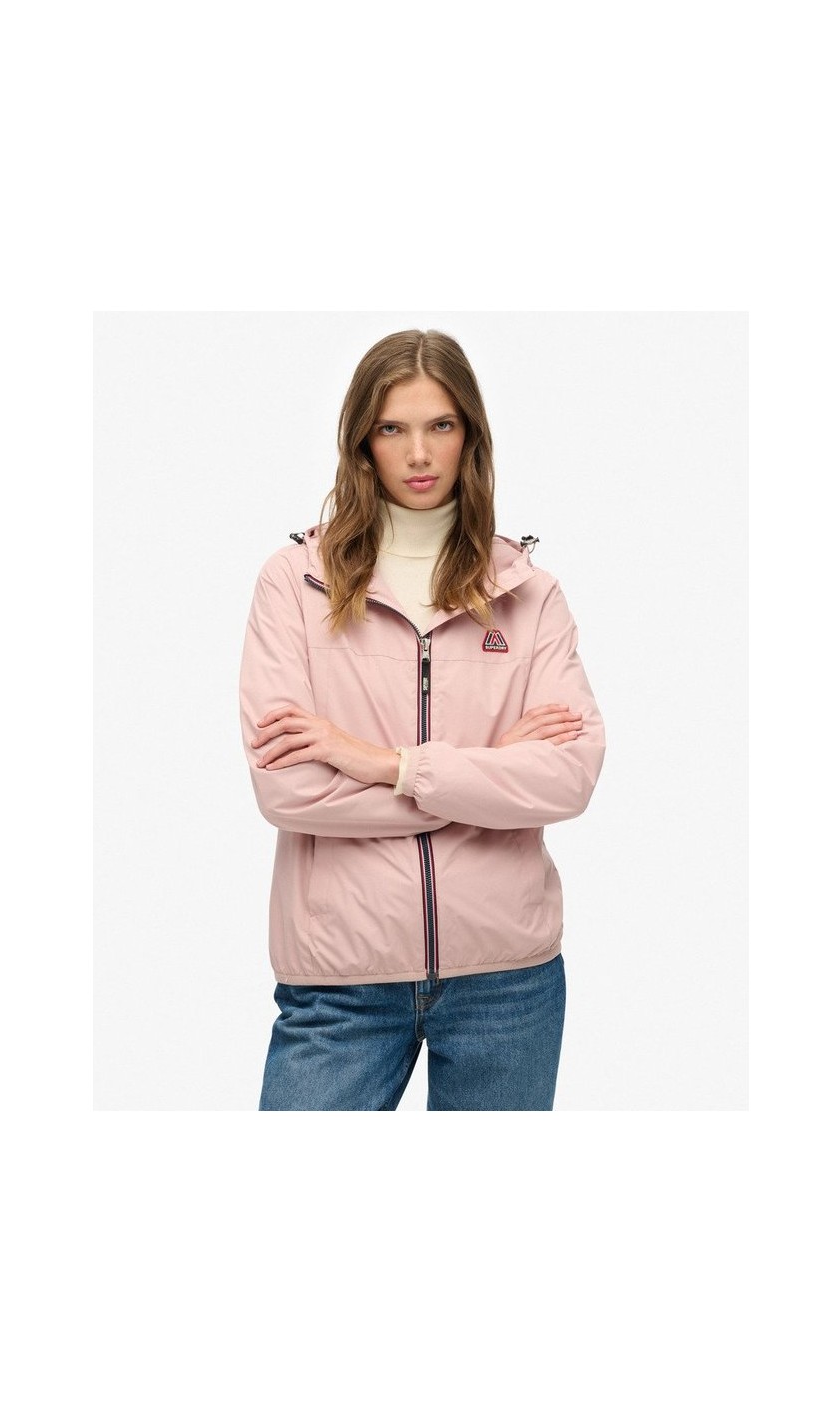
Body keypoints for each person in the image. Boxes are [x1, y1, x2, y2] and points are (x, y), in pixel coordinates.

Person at [238, 328, 606, 1110]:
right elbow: (288, 789)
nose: (417, 453)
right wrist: (486, 776)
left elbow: (568, 779)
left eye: (440, 425)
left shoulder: (529, 594)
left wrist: (386, 763)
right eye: (391, 428)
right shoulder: (294, 585)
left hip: (508, 981)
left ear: (469, 434)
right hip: (339, 981)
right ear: (361, 442)